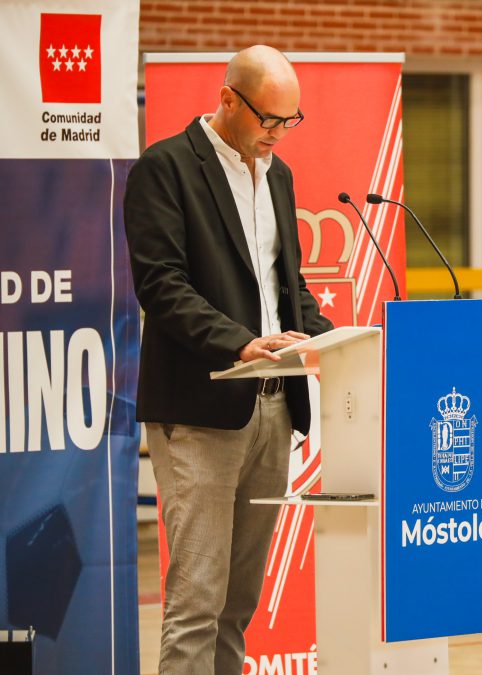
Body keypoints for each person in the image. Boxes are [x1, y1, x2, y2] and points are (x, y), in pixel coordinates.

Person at [124, 46, 334, 673]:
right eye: (268, 120)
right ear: (227, 100)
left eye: (289, 122)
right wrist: (238, 340)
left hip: (272, 409)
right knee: (196, 601)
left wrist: (327, 336)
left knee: (238, 603)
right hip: (198, 411)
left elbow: (285, 286)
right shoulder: (165, 168)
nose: (276, 135)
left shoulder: (278, 174)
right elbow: (162, 285)